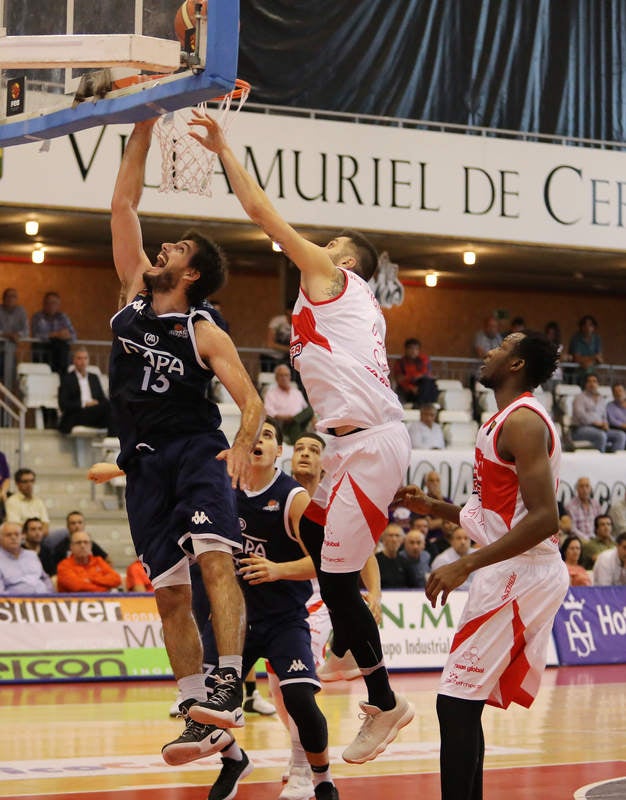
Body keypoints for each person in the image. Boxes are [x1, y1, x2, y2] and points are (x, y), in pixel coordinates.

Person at [188, 112, 414, 764]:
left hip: (372, 442)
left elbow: (262, 211)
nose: (314, 243)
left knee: (339, 581)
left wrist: (225, 147)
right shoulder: (350, 299)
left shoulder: (333, 277)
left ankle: (385, 703)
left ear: (343, 260)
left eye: (328, 241)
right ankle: (350, 635)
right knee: (311, 534)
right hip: (348, 442)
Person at [109, 119, 265, 765]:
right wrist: (145, 123)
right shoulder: (130, 300)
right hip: (142, 463)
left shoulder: (203, 330)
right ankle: (198, 712)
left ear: (192, 273)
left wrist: (240, 446)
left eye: (175, 249)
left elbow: (250, 399)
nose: (163, 249)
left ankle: (229, 680)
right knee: (168, 591)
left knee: (214, 561)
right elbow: (123, 202)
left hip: (196, 452)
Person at [393, 329, 568, 800]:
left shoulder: (525, 422)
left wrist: (465, 564)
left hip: (524, 571)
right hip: (507, 568)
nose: (489, 350)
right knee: (462, 704)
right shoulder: (499, 422)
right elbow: (493, 515)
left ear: (516, 365)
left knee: (454, 702)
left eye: (502, 346)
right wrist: (436, 507)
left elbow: (545, 518)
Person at [197, 419, 338, 800]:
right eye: (254, 434)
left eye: (270, 436)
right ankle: (233, 758)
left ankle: (320, 778)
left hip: (284, 619)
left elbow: (328, 561)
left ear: (280, 453)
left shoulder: (294, 498)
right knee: (199, 702)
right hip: (235, 620)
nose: (260, 440)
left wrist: (277, 569)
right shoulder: (223, 487)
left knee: (298, 700)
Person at [58, 347, 113, 434]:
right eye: (79, 358)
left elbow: (101, 398)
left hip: (95, 412)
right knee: (109, 410)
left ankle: (111, 441)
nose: (83, 361)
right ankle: (111, 443)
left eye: (85, 358)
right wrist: (84, 403)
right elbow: (63, 404)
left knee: (113, 408)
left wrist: (98, 403)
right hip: (77, 413)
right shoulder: (67, 378)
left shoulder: (93, 377)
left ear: (88, 360)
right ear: (74, 361)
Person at [570, 373, 625, 452]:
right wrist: (596, 423)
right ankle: (600, 462)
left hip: (599, 429)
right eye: (589, 381)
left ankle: (613, 461)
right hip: (581, 429)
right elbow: (580, 416)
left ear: (598, 384)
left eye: (594, 381)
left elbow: (604, 416)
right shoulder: (579, 397)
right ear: (585, 384)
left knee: (620, 435)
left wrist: (605, 423)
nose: (592, 384)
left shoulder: (601, 399)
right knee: (601, 436)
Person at [56, 529, 122, 592]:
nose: (82, 546)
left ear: (90, 546)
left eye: (86, 542)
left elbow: (116, 579)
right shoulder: (63, 566)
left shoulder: (98, 561)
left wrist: (90, 580)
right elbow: (78, 587)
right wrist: (105, 588)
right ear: (71, 547)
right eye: (78, 543)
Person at [263, 363, 313, 444]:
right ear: (276, 378)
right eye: (281, 375)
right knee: (295, 424)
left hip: (301, 424)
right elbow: (269, 412)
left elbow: (306, 410)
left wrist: (313, 420)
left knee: (310, 410)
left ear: (290, 377)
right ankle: (297, 436)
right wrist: (285, 418)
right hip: (283, 424)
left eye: (286, 375)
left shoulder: (296, 392)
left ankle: (295, 421)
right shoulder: (271, 393)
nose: (284, 378)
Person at [0, 520, 54, 594]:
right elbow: (1, 594)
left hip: (43, 600)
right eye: (8, 535)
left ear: (22, 537)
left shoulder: (32, 555)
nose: (13, 538)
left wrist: (50, 595)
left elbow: (45, 578)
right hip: (16, 603)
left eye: (17, 534)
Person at [31, 291, 76, 375]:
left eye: (54, 303)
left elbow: (73, 336)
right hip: (43, 351)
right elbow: (36, 335)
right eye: (48, 303)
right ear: (44, 304)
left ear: (58, 305)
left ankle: (63, 375)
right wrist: (55, 335)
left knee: (62, 345)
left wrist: (66, 335)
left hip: (60, 353)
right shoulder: (38, 317)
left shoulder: (63, 317)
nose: (51, 305)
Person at [392, 338, 439, 408]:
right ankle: (421, 405)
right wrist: (411, 387)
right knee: (426, 384)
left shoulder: (423, 360)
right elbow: (399, 380)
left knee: (429, 383)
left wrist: (407, 377)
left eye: (416, 349)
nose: (413, 351)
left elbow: (424, 375)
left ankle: (421, 405)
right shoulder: (400, 363)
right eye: (411, 349)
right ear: (406, 350)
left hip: (422, 387)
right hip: (408, 391)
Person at [5, 468, 50, 535]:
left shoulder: (39, 501)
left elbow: (46, 527)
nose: (29, 484)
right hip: (21, 539)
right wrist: (37, 530)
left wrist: (35, 532)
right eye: (25, 481)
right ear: (17, 483)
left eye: (32, 481)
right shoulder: (12, 501)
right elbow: (15, 526)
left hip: (40, 538)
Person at [429, 526, 475, 590]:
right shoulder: (441, 560)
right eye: (459, 538)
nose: (463, 542)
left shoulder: (478, 555)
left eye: (466, 538)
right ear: (451, 541)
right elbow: (444, 585)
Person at [0, 287, 28, 389]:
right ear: (3, 298)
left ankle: (7, 403)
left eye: (14, 296)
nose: (11, 299)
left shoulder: (20, 311)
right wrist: (7, 335)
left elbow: (25, 331)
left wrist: (17, 335)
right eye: (9, 296)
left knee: (10, 380)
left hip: (11, 352)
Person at [375, 523, 418, 589]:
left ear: (402, 540)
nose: (394, 539)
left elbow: (414, 587)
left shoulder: (405, 562)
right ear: (383, 538)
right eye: (390, 535)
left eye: (397, 536)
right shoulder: (375, 561)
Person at [568, 314, 603, 384]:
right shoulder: (576, 338)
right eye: (585, 325)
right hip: (577, 372)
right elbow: (576, 358)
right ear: (581, 327)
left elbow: (600, 359)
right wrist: (593, 358)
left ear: (594, 327)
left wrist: (588, 361)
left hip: (592, 372)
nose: (588, 328)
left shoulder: (597, 339)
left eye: (590, 325)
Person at [565, 477, 602, 541]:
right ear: (577, 489)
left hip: (596, 538)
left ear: (590, 488)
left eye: (587, 486)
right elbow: (572, 529)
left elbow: (600, 523)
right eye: (581, 486)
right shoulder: (570, 506)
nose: (584, 489)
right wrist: (587, 539)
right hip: (580, 540)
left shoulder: (596, 504)